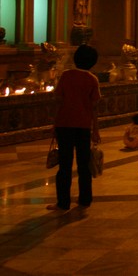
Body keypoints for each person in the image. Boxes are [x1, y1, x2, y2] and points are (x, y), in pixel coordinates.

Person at [47, 44, 101, 211]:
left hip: (64, 124)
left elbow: (58, 101)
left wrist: (55, 123)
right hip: (83, 126)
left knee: (65, 165)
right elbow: (93, 107)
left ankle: (63, 202)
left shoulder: (66, 76)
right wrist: (95, 130)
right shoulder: (92, 79)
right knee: (84, 165)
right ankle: (85, 199)